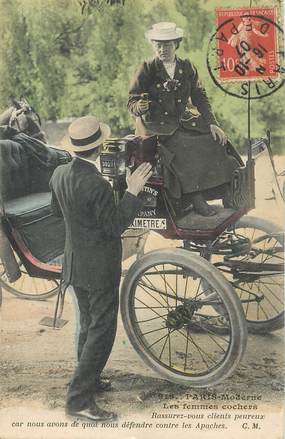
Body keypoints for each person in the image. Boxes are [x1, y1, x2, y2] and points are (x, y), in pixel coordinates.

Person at [49, 115, 152, 422]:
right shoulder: (97, 184)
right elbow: (115, 227)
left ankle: (90, 381)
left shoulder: (58, 173)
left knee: (87, 326)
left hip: (74, 265)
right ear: (98, 149)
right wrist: (133, 191)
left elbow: (57, 211)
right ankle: (78, 401)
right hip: (99, 269)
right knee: (102, 331)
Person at [128, 22, 242, 216]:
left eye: (168, 44)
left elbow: (200, 97)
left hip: (182, 122)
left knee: (214, 141)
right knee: (184, 146)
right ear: (153, 45)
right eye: (159, 45)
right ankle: (195, 197)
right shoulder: (146, 68)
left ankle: (225, 190)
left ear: (176, 44)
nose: (163, 49)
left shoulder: (187, 67)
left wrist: (213, 124)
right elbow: (132, 102)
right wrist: (140, 106)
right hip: (156, 128)